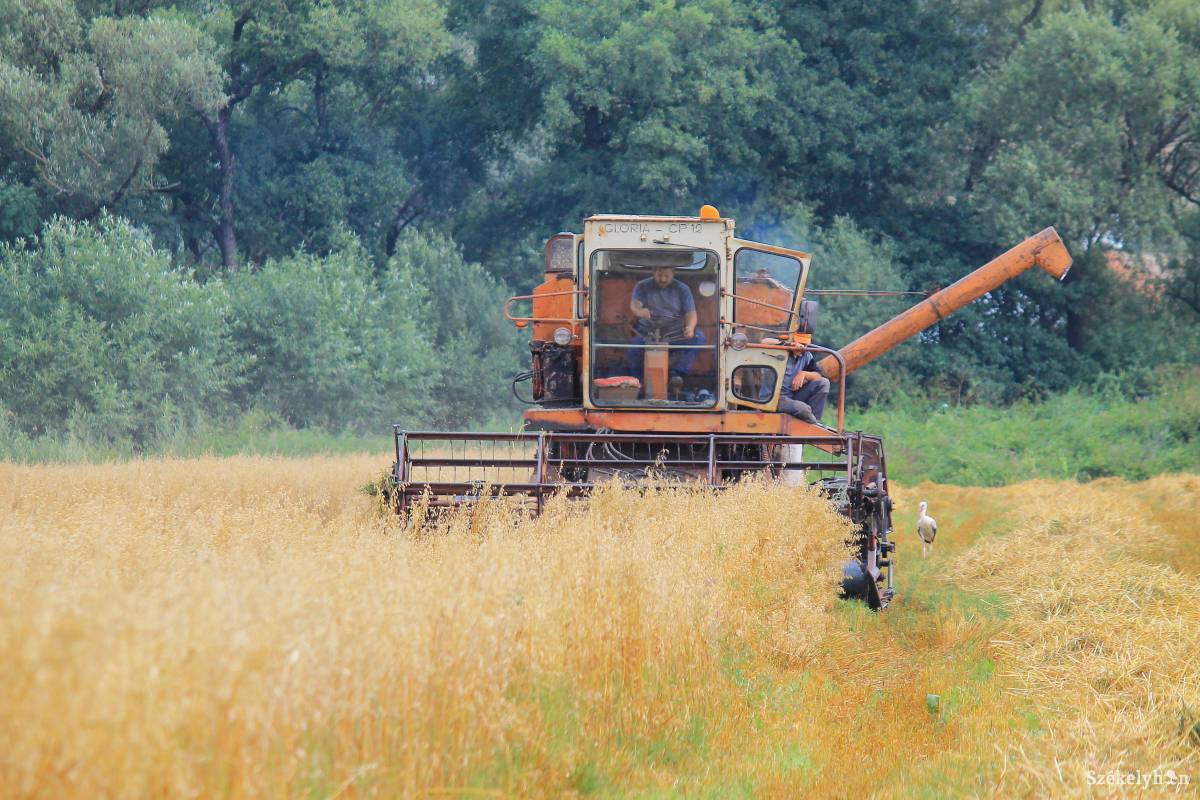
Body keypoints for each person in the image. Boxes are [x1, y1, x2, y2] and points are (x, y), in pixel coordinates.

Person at [625, 265, 706, 382]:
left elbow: (690, 313)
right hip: (647, 333)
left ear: (673, 273)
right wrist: (640, 311)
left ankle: (677, 373)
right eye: (659, 275)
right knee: (633, 348)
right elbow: (635, 304)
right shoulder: (642, 286)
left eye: (666, 276)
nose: (663, 279)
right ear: (654, 272)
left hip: (675, 333)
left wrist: (690, 328)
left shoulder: (682, 289)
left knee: (699, 338)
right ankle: (638, 382)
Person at [779, 345, 830, 423]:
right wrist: (786, 344)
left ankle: (815, 422)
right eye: (799, 343)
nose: (801, 346)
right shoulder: (779, 351)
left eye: (804, 344)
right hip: (776, 399)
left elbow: (818, 374)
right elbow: (765, 341)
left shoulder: (807, 355)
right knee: (803, 409)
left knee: (824, 383)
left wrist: (804, 374)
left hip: (793, 395)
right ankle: (813, 423)